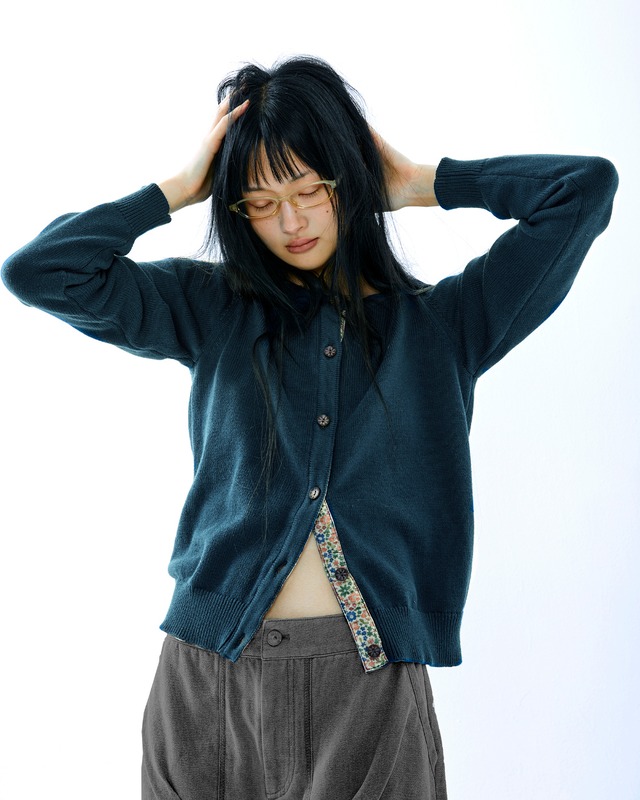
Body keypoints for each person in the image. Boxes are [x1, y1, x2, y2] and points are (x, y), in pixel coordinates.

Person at [1, 56, 618, 800]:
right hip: (206, 680)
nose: (290, 223)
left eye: (309, 191)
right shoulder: (213, 309)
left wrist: (423, 182)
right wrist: (179, 188)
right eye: (260, 202)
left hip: (366, 687)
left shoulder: (444, 325)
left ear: (348, 182)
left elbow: (582, 191)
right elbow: (40, 271)